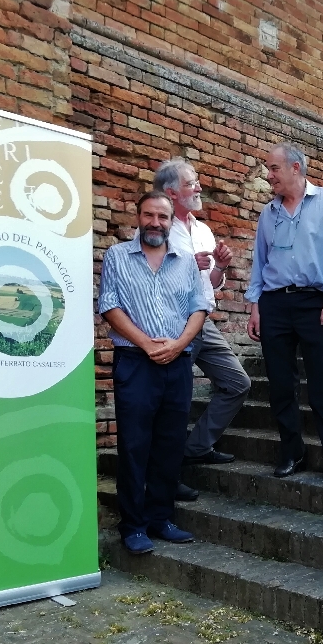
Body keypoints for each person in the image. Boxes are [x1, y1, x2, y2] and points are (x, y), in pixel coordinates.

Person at [98, 192, 209, 555]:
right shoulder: (117, 256)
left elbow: (199, 309)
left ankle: (161, 519)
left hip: (178, 363)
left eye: (163, 216)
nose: (155, 222)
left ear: (171, 221)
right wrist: (147, 344)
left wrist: (177, 346)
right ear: (138, 216)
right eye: (149, 215)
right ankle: (133, 526)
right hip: (135, 363)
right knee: (133, 445)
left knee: (170, 443)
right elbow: (110, 306)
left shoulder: (186, 262)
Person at [245, 142, 323, 486]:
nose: (268, 175)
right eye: (268, 169)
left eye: (274, 168)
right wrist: (255, 306)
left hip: (315, 302)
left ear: (295, 168)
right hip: (275, 304)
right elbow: (259, 263)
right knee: (280, 385)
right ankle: (292, 452)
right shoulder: (268, 213)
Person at [153, 158, 251, 500]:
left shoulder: (203, 230)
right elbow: (147, 282)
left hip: (203, 321)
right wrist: (181, 270)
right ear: (171, 191)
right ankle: (166, 476)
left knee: (237, 383)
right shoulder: (157, 227)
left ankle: (196, 447)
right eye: (191, 183)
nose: (198, 188)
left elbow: (210, 283)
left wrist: (220, 267)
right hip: (173, 323)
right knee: (174, 401)